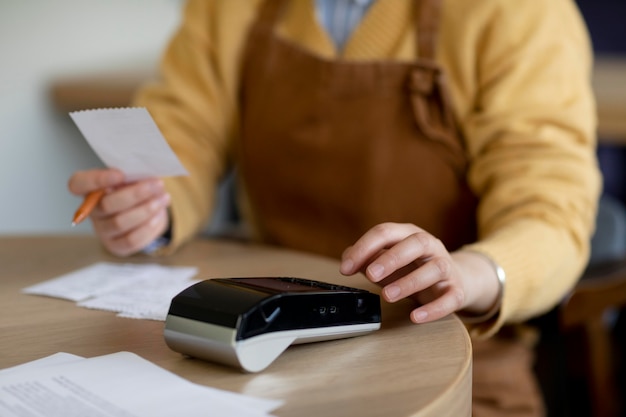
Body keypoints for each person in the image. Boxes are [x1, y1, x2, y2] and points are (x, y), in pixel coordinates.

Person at [67, 0, 601, 415]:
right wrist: (152, 208)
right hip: (264, 353)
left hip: (451, 366)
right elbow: (185, 130)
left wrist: (470, 272)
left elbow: (552, 209)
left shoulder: (521, 13)